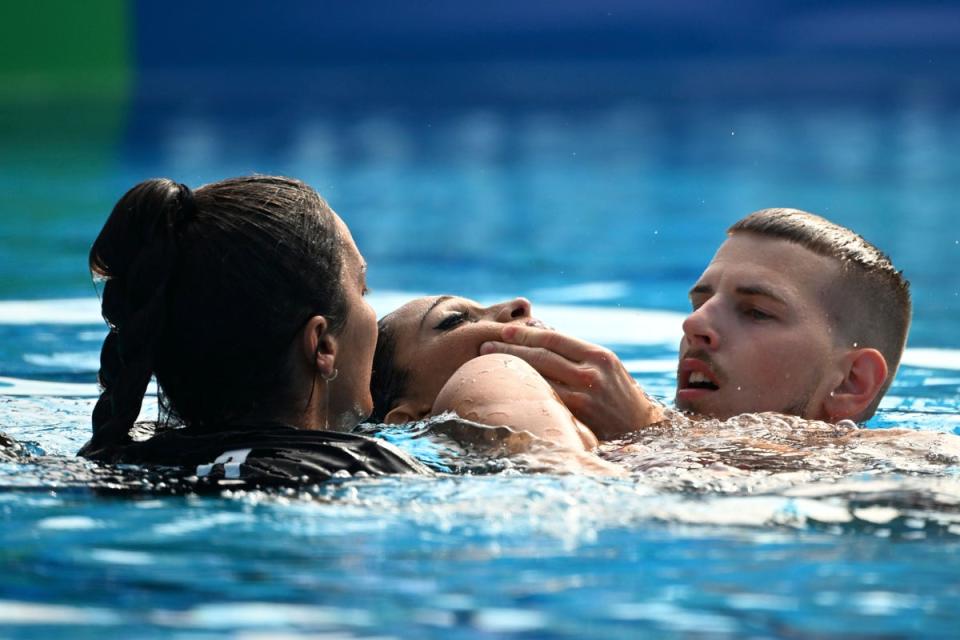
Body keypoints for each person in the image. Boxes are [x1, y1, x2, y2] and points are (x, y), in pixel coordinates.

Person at [81, 176, 429, 487]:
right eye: (362, 290)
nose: (372, 309)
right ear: (322, 345)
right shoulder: (367, 467)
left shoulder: (119, 453)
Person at [479, 208, 912, 434]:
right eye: (698, 304)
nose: (695, 325)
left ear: (851, 382)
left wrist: (647, 428)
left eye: (757, 312)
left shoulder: (913, 462)